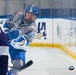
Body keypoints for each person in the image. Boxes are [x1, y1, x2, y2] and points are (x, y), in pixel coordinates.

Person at [3, 5, 39, 75]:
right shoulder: (17, 16)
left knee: (19, 65)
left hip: (17, 49)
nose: (29, 16)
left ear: (35, 16)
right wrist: (6, 34)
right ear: (25, 13)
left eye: (32, 15)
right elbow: (6, 25)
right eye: (28, 13)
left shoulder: (33, 28)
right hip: (5, 42)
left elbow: (25, 43)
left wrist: (17, 37)